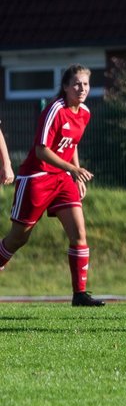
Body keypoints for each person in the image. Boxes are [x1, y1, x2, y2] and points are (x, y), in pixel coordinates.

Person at [0, 66, 104, 306]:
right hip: (37, 177)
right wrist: (73, 169)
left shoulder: (85, 113)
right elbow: (41, 151)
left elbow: (72, 143)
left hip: (62, 179)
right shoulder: (54, 111)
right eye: (77, 84)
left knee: (79, 234)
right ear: (65, 87)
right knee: (18, 239)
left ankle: (80, 294)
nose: (82, 89)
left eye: (86, 84)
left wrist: (75, 174)